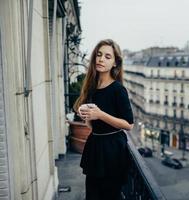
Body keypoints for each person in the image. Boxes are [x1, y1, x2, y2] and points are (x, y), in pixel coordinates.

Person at [73, 39, 134, 200]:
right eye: (99, 55)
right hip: (95, 145)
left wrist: (100, 114)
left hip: (113, 149)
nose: (101, 59)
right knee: (92, 195)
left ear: (115, 63)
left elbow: (129, 124)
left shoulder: (118, 90)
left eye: (108, 56)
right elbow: (93, 126)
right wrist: (85, 115)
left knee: (109, 196)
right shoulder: (92, 86)